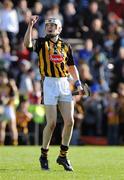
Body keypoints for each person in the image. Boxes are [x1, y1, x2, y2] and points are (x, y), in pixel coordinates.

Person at [24, 16, 84, 171]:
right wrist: (30, 26)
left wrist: (77, 82)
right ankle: (44, 155)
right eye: (48, 25)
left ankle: (63, 156)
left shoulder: (66, 45)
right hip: (49, 83)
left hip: (64, 83)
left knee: (69, 121)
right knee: (51, 123)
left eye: (53, 25)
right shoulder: (41, 42)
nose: (50, 27)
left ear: (59, 29)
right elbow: (27, 45)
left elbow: (71, 66)